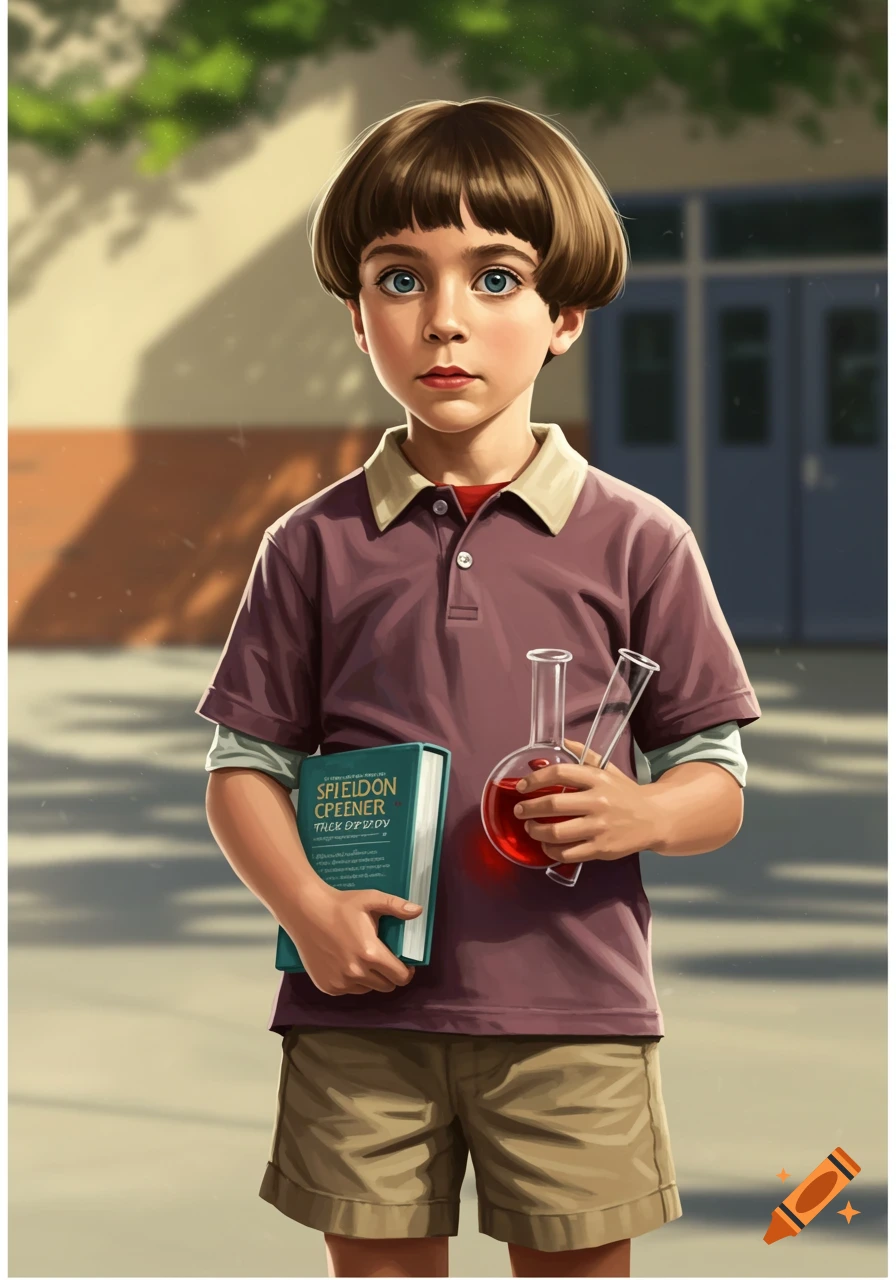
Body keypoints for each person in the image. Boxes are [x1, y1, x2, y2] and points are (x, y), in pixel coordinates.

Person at [197, 98, 760, 1279]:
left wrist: (646, 811)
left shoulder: (639, 541)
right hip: (359, 1015)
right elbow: (244, 768)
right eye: (400, 279)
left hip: (573, 1016)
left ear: (563, 316)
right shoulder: (309, 545)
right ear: (356, 316)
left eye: (494, 278)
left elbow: (715, 772)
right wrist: (306, 907)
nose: (443, 319)